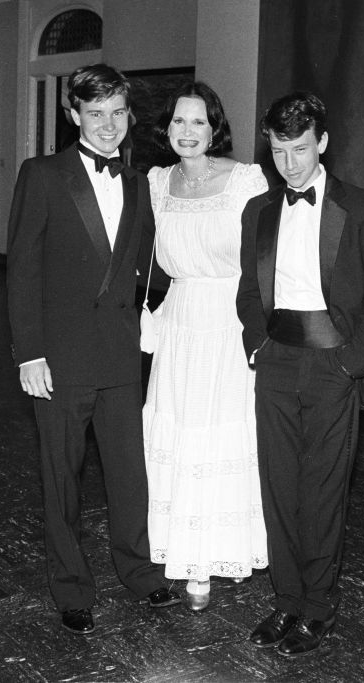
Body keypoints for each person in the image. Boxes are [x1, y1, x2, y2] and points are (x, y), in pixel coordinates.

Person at [6, 63, 181, 636]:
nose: (108, 126)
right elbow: (22, 270)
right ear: (74, 114)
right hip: (59, 359)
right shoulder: (43, 174)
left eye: (117, 113)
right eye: (95, 113)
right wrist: (29, 353)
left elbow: (146, 265)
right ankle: (72, 586)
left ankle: (139, 572)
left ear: (129, 116)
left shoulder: (137, 182)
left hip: (120, 354)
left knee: (130, 473)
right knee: (63, 476)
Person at [236, 92, 364, 656]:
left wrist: (351, 363)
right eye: (279, 150)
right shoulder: (258, 210)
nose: (289, 163)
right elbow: (248, 289)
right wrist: (256, 342)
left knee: (323, 490)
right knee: (279, 486)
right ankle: (286, 601)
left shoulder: (362, 208)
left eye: (300, 149)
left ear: (323, 143)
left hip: (334, 363)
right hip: (276, 358)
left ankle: (317, 608)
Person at [142, 82, 269, 611]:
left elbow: (267, 260)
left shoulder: (246, 181)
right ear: (165, 129)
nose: (187, 132)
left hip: (228, 323)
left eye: (198, 122)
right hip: (178, 324)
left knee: (222, 433)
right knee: (178, 429)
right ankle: (182, 551)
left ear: (215, 127)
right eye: (178, 122)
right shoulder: (155, 182)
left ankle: (219, 554)